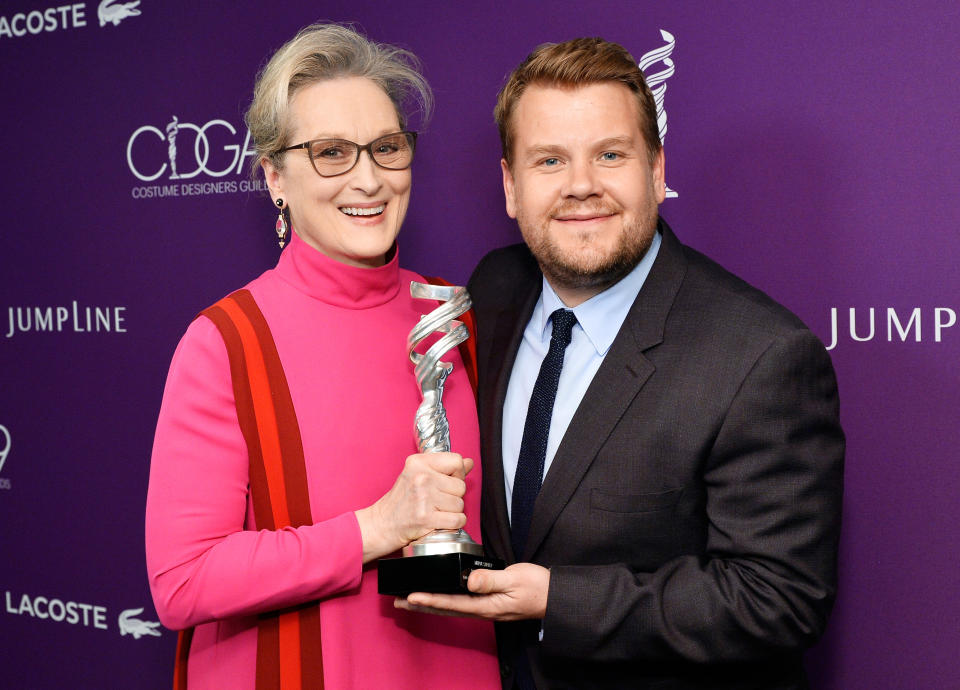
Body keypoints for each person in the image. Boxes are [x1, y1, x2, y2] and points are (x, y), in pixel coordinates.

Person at [398, 37, 845, 689]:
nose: (582, 186)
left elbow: (777, 599)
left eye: (611, 155)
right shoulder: (491, 292)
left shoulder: (763, 356)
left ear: (658, 171)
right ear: (510, 186)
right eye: (549, 160)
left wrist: (558, 602)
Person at [145, 24, 499, 690]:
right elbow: (183, 580)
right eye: (331, 153)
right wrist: (378, 526)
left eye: (387, 148)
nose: (368, 179)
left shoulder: (452, 318)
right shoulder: (228, 340)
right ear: (274, 176)